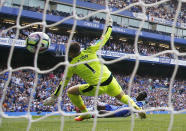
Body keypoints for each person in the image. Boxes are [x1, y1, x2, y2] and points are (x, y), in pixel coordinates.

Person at [44, 16, 146, 121]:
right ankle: (137, 108)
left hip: (98, 86)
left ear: (71, 53)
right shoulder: (90, 50)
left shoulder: (72, 66)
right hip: (110, 80)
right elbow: (104, 38)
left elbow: (63, 82)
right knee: (122, 96)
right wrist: (110, 25)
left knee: (71, 91)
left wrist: (55, 96)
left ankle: (85, 113)